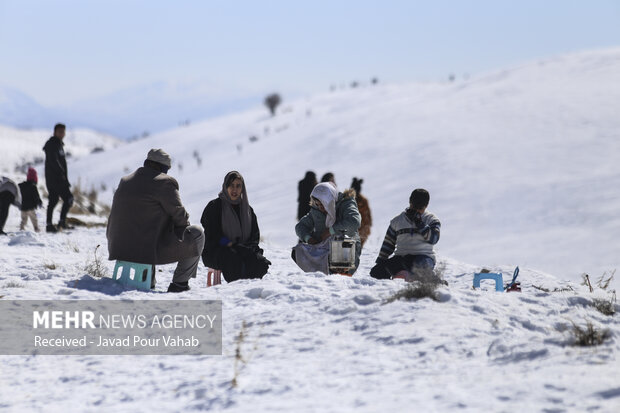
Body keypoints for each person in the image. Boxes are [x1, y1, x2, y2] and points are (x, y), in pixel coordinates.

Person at [107, 149, 205, 292]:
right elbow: (180, 215)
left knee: (147, 228)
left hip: (118, 247)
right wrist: (180, 228)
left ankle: (147, 281)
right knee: (197, 234)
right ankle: (179, 284)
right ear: (163, 167)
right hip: (144, 248)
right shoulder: (164, 182)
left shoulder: (125, 181)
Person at [200, 171, 271, 283]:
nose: (235, 190)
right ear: (225, 186)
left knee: (259, 262)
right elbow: (213, 234)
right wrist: (233, 245)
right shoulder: (215, 206)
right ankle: (237, 291)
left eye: (238, 186)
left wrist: (248, 248)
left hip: (243, 249)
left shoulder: (247, 210)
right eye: (231, 185)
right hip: (218, 250)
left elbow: (255, 235)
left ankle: (250, 290)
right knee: (232, 258)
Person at [370, 188, 441, 280]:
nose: (416, 210)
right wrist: (381, 261)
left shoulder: (431, 220)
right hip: (402, 257)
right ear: (409, 202)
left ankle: (433, 281)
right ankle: (403, 274)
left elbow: (434, 239)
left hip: (423, 256)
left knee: (420, 268)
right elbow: (388, 244)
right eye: (414, 206)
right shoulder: (397, 221)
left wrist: (420, 223)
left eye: (420, 208)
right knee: (376, 272)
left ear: (426, 206)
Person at [294, 182, 362, 275]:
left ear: (328, 200)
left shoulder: (346, 203)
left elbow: (354, 221)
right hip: (323, 248)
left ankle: (339, 275)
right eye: (318, 204)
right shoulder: (316, 210)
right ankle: (319, 275)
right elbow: (300, 226)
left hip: (346, 250)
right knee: (298, 251)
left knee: (340, 244)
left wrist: (331, 231)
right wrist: (309, 239)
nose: (320, 208)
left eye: (323, 204)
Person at [43, 123, 74, 232]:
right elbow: (53, 161)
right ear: (54, 132)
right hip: (54, 179)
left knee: (56, 200)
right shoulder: (51, 145)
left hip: (59, 178)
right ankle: (52, 224)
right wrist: (61, 174)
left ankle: (57, 223)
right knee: (66, 199)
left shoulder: (59, 144)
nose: (62, 134)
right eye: (60, 131)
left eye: (63, 132)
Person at [18, 168, 43, 232]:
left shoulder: (21, 186)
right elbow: (36, 196)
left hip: (23, 207)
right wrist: (39, 202)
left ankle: (22, 228)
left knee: (24, 219)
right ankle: (36, 228)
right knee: (34, 219)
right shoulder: (33, 186)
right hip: (31, 207)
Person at [351, 177, 372, 248]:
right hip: (354, 230)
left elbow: (368, 215)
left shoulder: (363, 201)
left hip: (361, 229)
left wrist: (367, 226)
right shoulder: (348, 200)